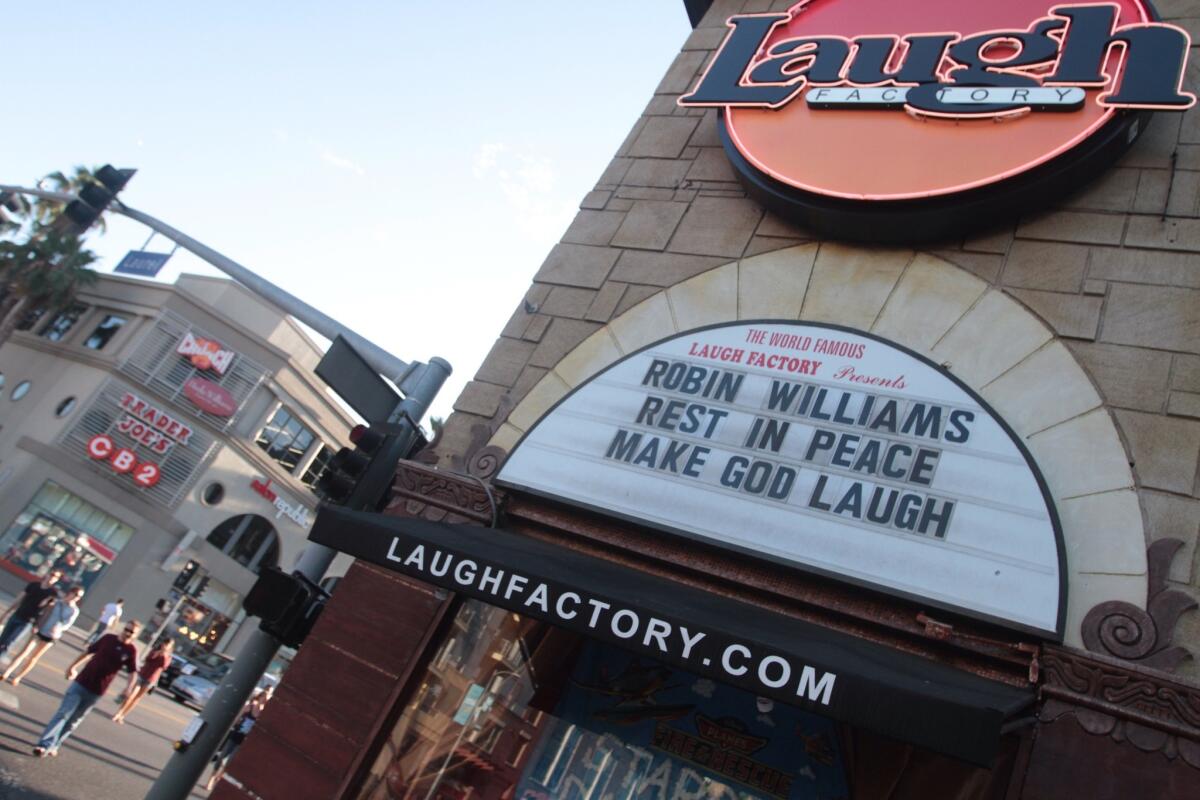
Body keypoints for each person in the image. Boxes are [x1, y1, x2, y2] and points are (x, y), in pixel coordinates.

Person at [32, 620, 141, 757]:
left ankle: (55, 744)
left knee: (74, 721)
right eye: (127, 629)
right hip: (82, 682)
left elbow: (132, 672)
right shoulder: (108, 639)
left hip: (97, 690)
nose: (128, 633)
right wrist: (73, 666)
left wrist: (128, 688)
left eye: (132, 632)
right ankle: (44, 745)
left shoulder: (131, 651)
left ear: (135, 635)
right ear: (123, 628)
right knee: (64, 713)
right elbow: (88, 652)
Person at [2, 586, 84, 686]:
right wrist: (37, 623)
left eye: (79, 596)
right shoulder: (57, 602)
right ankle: (7, 672)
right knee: (24, 652)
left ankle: (18, 677)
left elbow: (67, 624)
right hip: (41, 629)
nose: (76, 597)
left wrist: (59, 628)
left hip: (51, 635)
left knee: (33, 658)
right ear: (70, 592)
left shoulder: (74, 610)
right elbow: (43, 612)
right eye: (75, 594)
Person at [205, 686, 272, 790]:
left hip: (244, 740)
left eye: (267, 699)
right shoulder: (249, 706)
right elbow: (237, 719)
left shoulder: (263, 713)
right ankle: (211, 779)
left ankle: (219, 778)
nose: (265, 700)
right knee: (222, 758)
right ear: (260, 697)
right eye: (264, 697)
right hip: (236, 735)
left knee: (230, 762)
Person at [0, 570, 61, 657]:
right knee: (2, 639)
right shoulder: (33, 585)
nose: (52, 577)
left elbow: (47, 611)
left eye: (56, 577)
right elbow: (19, 599)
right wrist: (6, 612)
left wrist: (38, 625)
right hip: (17, 614)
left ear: (57, 580)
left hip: (28, 621)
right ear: (47, 574)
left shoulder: (52, 593)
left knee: (8, 642)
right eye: (52, 575)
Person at [111, 638, 173, 723]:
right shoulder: (155, 650)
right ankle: (119, 712)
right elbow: (148, 659)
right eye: (164, 643)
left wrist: (164, 655)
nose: (165, 646)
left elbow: (164, 666)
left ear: (170, 647)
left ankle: (122, 715)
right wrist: (157, 653)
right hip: (142, 675)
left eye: (167, 645)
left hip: (151, 679)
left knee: (137, 698)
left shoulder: (168, 657)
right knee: (132, 695)